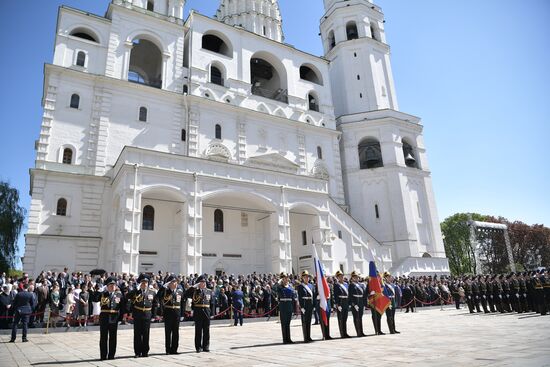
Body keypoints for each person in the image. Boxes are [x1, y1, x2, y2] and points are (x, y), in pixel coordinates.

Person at [128, 274, 157, 358]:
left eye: (146, 283)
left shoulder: (152, 291)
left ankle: (145, 352)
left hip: (147, 315)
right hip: (138, 314)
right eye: (143, 283)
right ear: (140, 283)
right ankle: (137, 352)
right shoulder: (136, 291)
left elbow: (155, 304)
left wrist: (154, 315)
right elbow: (128, 296)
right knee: (137, 334)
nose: (144, 284)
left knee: (146, 334)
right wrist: (135, 290)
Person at [184, 275, 213, 353]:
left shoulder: (209, 291)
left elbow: (212, 303)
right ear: (198, 283)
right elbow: (186, 294)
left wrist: (212, 313)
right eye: (201, 282)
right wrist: (193, 287)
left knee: (206, 330)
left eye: (204, 282)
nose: (203, 283)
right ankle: (198, 347)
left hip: (207, 312)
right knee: (198, 331)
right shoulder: (195, 291)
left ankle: (206, 346)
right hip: (198, 312)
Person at [99, 277, 123, 361]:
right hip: (104, 318)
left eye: (114, 285)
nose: (113, 287)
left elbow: (122, 306)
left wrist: (120, 318)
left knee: (113, 337)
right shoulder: (102, 294)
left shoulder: (119, 294)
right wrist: (99, 291)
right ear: (107, 286)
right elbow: (94, 298)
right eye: (110, 285)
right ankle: (103, 355)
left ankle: (111, 355)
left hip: (114, 318)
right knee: (103, 337)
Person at [160, 274, 184, 355]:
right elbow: (158, 296)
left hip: (177, 313)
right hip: (168, 313)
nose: (175, 283)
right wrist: (163, 287)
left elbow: (182, 303)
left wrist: (182, 314)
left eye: (176, 282)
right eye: (173, 282)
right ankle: (167, 349)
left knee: (176, 332)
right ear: (169, 283)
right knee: (168, 332)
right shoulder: (165, 291)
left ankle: (174, 349)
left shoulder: (179, 291)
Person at [277, 272, 296, 344]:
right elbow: (276, 289)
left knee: (288, 323)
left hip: (289, 305)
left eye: (286, 278)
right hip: (283, 305)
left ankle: (289, 338)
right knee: (284, 323)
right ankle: (285, 339)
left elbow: (293, 296)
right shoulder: (280, 287)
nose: (286, 279)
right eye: (284, 278)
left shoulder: (290, 286)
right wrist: (279, 281)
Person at [297, 270, 315, 343]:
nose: (306, 278)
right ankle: (305, 337)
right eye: (305, 277)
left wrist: (313, 305)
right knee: (304, 321)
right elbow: (300, 297)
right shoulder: (300, 286)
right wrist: (301, 307)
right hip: (304, 305)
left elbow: (312, 296)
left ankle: (309, 336)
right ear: (302, 278)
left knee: (309, 321)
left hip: (309, 304)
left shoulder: (311, 286)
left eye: (307, 277)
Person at [333, 270, 350, 338]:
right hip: (340, 302)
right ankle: (342, 334)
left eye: (342, 276)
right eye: (339, 276)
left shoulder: (346, 284)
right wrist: (337, 304)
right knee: (341, 318)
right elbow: (335, 295)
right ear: (337, 277)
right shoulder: (336, 285)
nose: (341, 277)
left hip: (346, 302)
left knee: (345, 318)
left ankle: (345, 333)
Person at [348, 271, 366, 337]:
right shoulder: (351, 285)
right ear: (352, 278)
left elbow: (364, 295)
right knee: (356, 317)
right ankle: (358, 332)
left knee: (360, 317)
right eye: (354, 277)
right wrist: (354, 304)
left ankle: (361, 331)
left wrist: (364, 304)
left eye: (357, 277)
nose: (356, 278)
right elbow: (350, 296)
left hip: (361, 302)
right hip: (355, 302)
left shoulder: (361, 285)